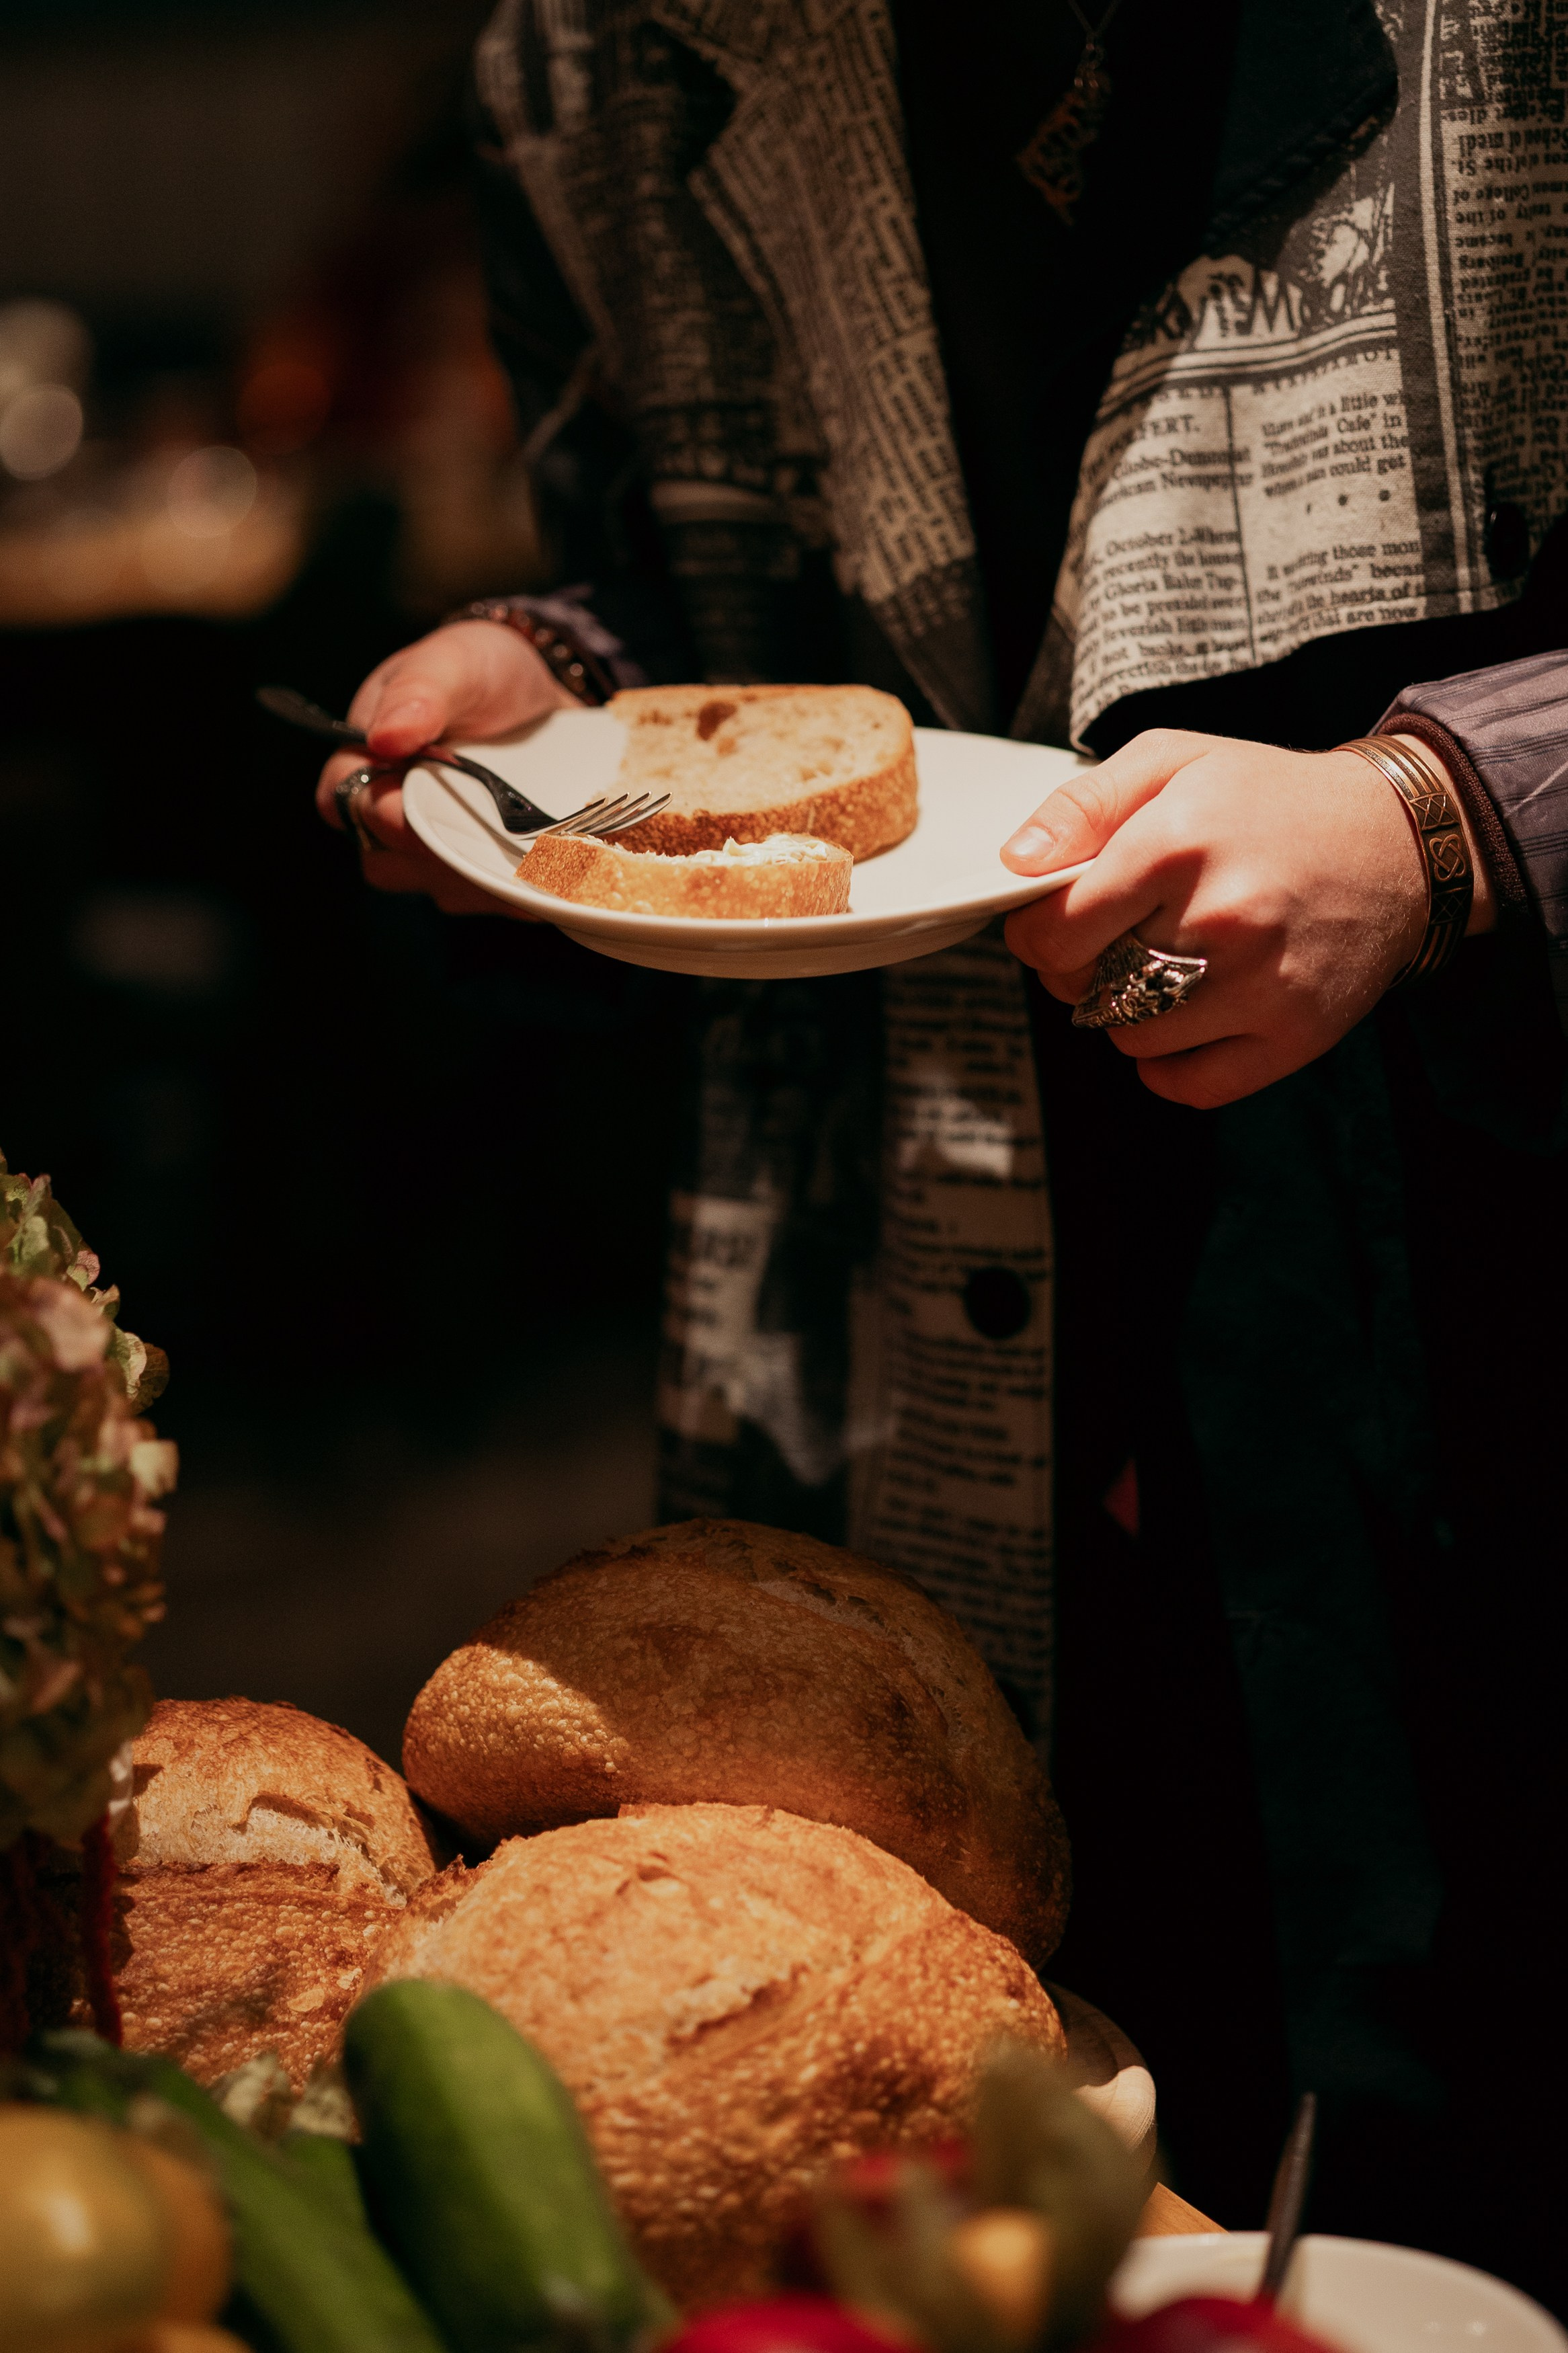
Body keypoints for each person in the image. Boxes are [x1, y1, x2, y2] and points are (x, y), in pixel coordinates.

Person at [316, 0, 1568, 2304]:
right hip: (904, 1331)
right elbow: (689, 579)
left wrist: (1451, 812)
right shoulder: (580, 51)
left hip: (1457, 1301)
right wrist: (556, 685)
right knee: (1024, 2135)